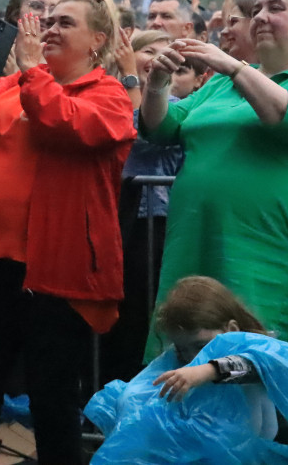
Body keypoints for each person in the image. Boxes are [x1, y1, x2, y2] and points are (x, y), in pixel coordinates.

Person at [0, 0, 135, 465]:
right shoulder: (13, 86)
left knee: (53, 400)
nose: (50, 29)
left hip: (52, 270)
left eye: (66, 23)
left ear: (98, 40)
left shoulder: (109, 95)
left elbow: (63, 125)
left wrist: (28, 71)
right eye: (47, 21)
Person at [139, 0, 288, 374]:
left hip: (272, 252)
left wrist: (236, 67)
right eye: (256, 9)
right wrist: (157, 84)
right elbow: (162, 127)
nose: (259, 17)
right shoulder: (220, 87)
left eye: (276, 7)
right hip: (198, 241)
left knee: (263, 360)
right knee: (189, 347)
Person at [86, 276, 288, 464]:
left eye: (201, 345)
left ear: (231, 330)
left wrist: (206, 371)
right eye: (183, 348)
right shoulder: (178, 359)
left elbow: (257, 366)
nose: (192, 356)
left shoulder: (255, 351)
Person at [102, 30, 183, 384]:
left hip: (155, 222)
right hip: (113, 222)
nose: (158, 58)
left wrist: (137, 79)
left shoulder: (178, 108)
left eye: (168, 55)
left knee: (141, 315)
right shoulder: (106, 97)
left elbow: (145, 136)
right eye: (149, 50)